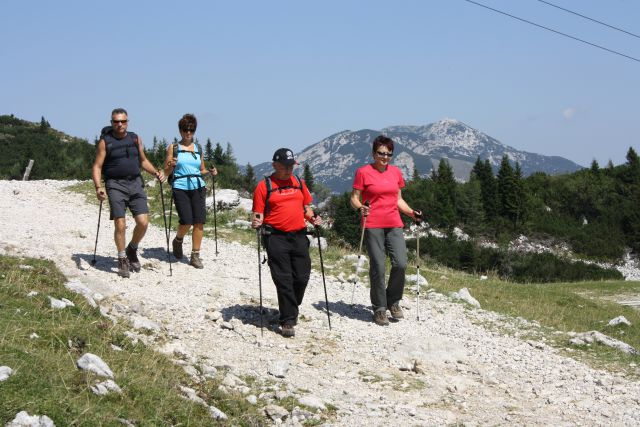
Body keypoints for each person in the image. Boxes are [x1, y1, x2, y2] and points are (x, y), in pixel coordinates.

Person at [350, 135, 422, 326]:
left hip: (394, 222)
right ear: (374, 153)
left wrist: (411, 213)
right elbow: (354, 198)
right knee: (378, 266)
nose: (385, 157)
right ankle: (379, 308)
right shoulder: (363, 172)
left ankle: (393, 301)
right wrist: (360, 208)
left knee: (401, 263)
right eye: (381, 153)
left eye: (389, 154)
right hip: (372, 223)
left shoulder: (396, 173)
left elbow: (398, 199)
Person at [251, 148, 322, 337]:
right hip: (275, 237)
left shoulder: (299, 182)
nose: (289, 169)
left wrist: (313, 218)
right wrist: (256, 222)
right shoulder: (264, 185)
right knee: (283, 278)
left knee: (301, 277)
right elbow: (258, 212)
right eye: (285, 166)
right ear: (275, 165)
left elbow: (306, 207)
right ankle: (288, 320)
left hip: (299, 235)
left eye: (292, 166)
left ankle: (290, 307)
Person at [92, 108, 165, 278]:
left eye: (123, 121)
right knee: (120, 224)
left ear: (127, 122)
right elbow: (97, 166)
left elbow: (143, 160)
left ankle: (132, 248)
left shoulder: (135, 138)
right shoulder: (105, 142)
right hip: (115, 184)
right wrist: (98, 187)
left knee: (143, 222)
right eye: (116, 121)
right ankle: (122, 258)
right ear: (111, 123)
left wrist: (155, 172)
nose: (120, 124)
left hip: (135, 183)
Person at [163, 113, 217, 269]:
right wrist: (171, 165)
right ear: (180, 130)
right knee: (186, 221)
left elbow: (201, 169)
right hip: (180, 186)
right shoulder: (173, 148)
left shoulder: (198, 148)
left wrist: (211, 172)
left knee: (199, 221)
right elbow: (166, 172)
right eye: (185, 129)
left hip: (198, 186)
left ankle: (195, 255)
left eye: (191, 130)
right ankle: (178, 239)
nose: (188, 133)